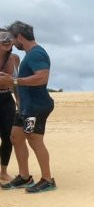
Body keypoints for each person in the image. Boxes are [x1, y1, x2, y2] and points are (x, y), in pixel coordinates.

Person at [0, 21, 56, 192]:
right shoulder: (30, 54)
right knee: (15, 136)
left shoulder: (37, 54)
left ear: (20, 37)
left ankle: (47, 180)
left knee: (34, 139)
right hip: (26, 106)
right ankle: (24, 177)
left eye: (12, 38)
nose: (11, 42)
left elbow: (42, 78)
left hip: (36, 106)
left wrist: (13, 81)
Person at [0, 28, 20, 182]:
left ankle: (3, 171)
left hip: (7, 98)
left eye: (9, 37)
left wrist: (19, 100)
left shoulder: (15, 58)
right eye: (2, 37)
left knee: (9, 136)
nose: (7, 40)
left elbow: (15, 83)